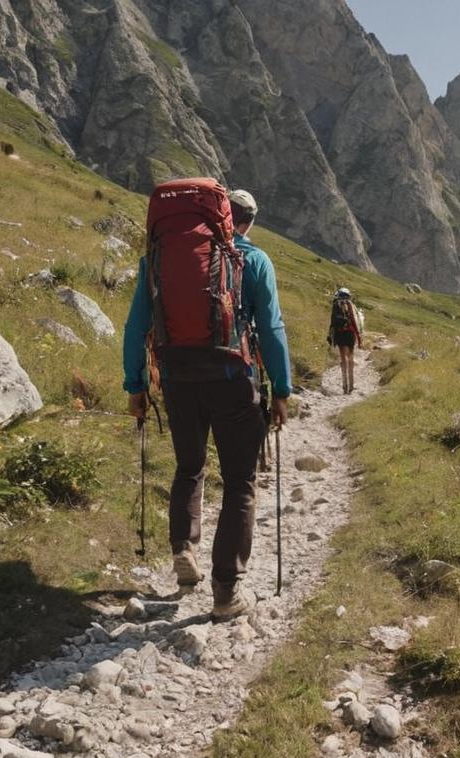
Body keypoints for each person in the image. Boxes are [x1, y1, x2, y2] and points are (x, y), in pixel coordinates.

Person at [122, 186, 291, 621]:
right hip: (233, 379)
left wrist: (135, 386)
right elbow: (271, 329)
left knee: (189, 466)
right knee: (239, 483)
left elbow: (136, 324)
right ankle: (226, 591)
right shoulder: (253, 261)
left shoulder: (158, 258)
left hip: (177, 378)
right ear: (243, 222)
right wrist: (283, 389)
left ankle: (184, 549)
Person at [327, 287, 362, 394]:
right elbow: (357, 322)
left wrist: (330, 335)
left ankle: (344, 385)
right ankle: (352, 385)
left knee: (343, 358)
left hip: (340, 333)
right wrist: (359, 336)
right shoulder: (352, 305)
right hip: (351, 334)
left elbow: (333, 322)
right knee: (351, 357)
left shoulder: (336, 305)